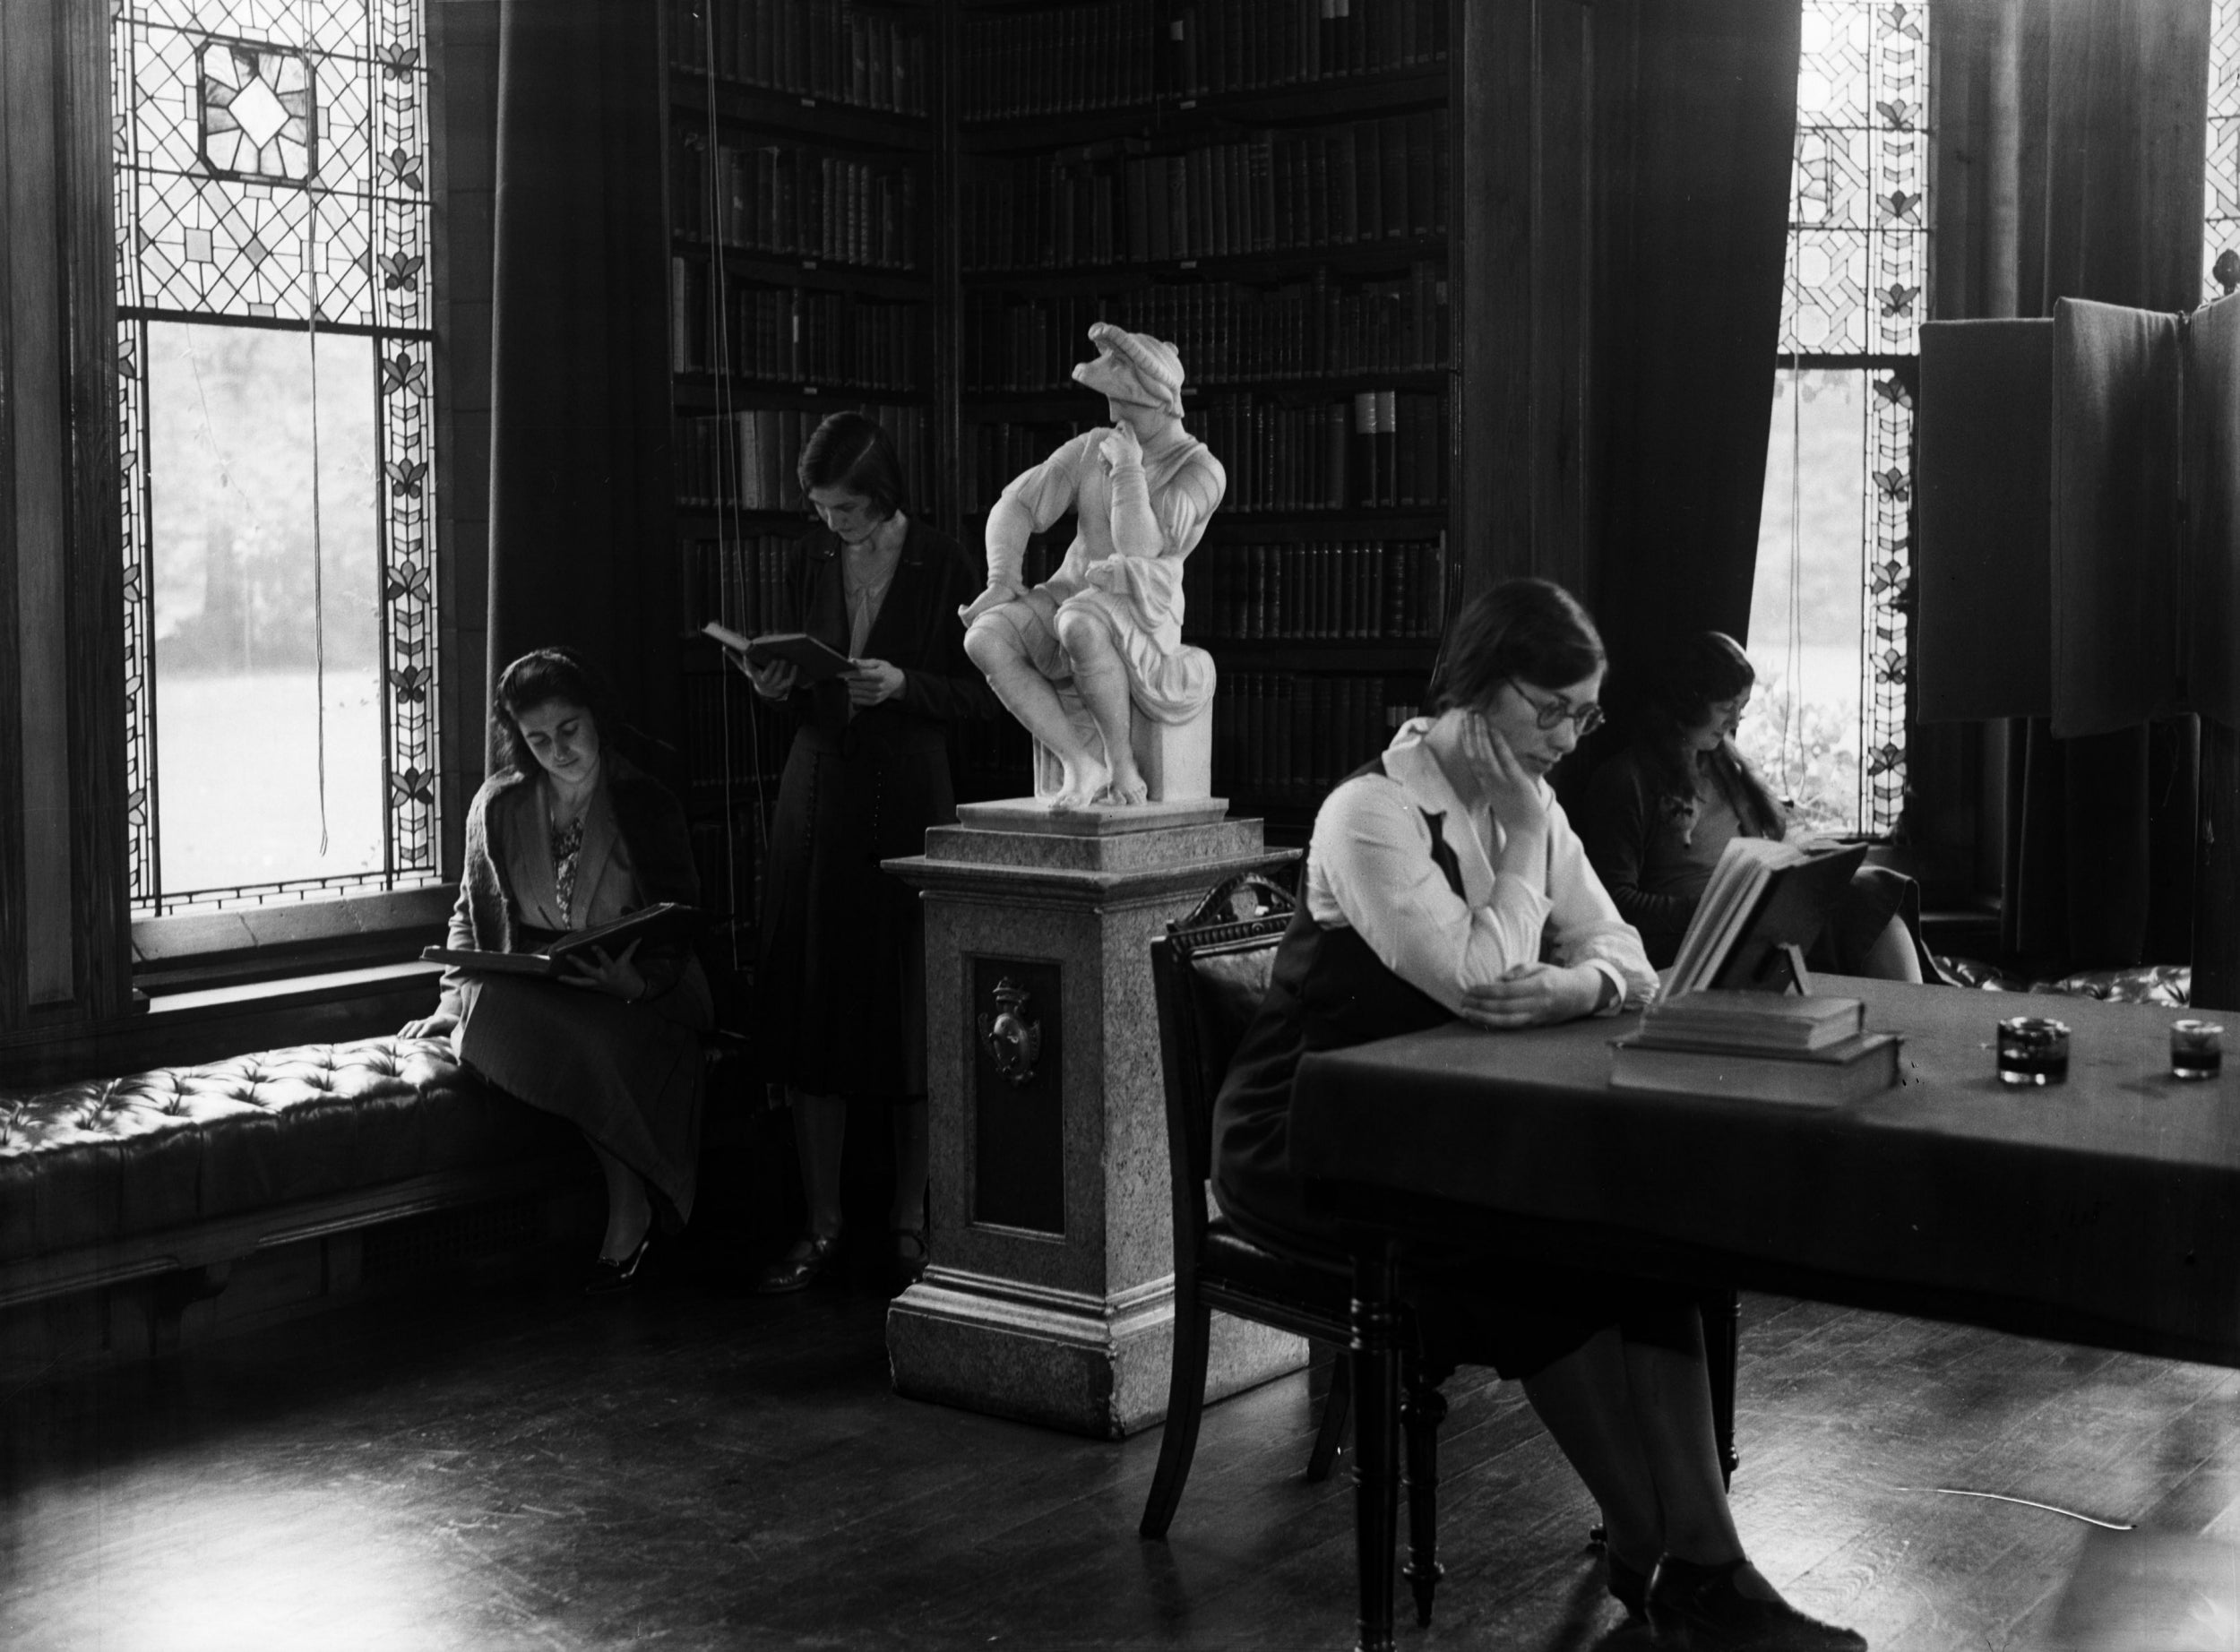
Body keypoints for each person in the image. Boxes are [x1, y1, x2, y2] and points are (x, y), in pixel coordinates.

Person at [1210, 581, 1863, 1648]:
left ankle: (1701, 1557)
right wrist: (1519, 844)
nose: (1567, 735)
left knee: (1649, 1238)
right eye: (1549, 708)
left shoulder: (1535, 793)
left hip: (1453, 1123)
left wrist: (1575, 989)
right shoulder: (1367, 811)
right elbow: (1477, 975)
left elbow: (1624, 959)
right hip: (1315, 1132)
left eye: (1583, 711)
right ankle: (1660, 1541)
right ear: (1477, 686)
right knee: (1521, 1254)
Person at [724, 411, 995, 1295]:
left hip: (910, 793)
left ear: (882, 499)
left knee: (912, 1005)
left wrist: (906, 684)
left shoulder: (946, 561)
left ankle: (912, 1219)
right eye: (819, 509)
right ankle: (823, 1222)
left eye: (844, 509)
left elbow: (986, 693)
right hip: (819, 793)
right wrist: (775, 685)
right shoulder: (812, 557)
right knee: (814, 1000)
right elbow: (807, 680)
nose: (830, 525)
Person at [401, 648, 713, 1294]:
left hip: (641, 983)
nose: (558, 750)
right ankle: (633, 1191)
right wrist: (449, 1006)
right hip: (540, 984)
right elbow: (470, 911)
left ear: (595, 715)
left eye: (569, 730)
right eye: (537, 739)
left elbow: (680, 922)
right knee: (496, 1008)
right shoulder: (500, 805)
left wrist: (635, 983)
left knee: (594, 1038)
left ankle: (631, 1199)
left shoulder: (643, 798)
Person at [959, 322, 1226, 808]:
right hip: (1073, 591)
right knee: (986, 636)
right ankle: (1080, 763)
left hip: (1143, 604)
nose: (1113, 417)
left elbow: (1140, 548)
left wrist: (1127, 468)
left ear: (1156, 402)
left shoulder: (1200, 470)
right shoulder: (1093, 445)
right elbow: (1015, 505)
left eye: (1122, 406)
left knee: (1079, 622)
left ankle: (1121, 763)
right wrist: (1002, 578)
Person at [1581, 630, 1926, 980]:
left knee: (1871, 889)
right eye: (1726, 708)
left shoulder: (1723, 766)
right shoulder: (1626, 781)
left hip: (1753, 921)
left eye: (1741, 708)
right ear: (1689, 702)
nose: (1736, 722)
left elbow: (1772, 842)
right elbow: (1615, 900)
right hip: (1689, 938)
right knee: (1863, 898)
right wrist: (1717, 909)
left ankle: (1919, 1016)